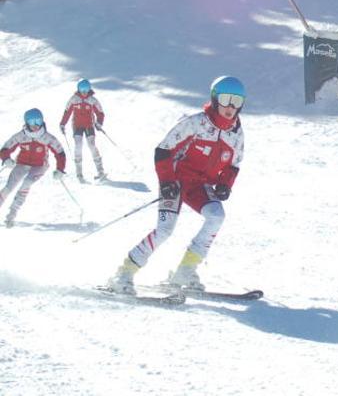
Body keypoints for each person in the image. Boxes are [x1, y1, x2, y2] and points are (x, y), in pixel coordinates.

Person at [106, 76, 245, 294]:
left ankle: (186, 270)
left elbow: (234, 164)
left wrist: (225, 184)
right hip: (176, 181)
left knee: (217, 216)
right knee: (165, 230)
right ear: (215, 99)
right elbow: (163, 150)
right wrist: (167, 180)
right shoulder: (196, 123)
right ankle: (124, 272)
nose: (231, 107)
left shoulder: (236, 133)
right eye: (226, 99)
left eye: (237, 101)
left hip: (200, 186)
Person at [0, 109, 66, 227]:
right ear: (26, 123)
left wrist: (60, 169)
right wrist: (6, 159)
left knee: (27, 183)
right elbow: (5, 149)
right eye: (31, 122)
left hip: (40, 166)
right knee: (9, 187)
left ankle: (12, 214)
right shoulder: (21, 136)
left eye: (38, 121)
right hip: (22, 164)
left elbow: (60, 153)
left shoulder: (47, 137)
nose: (35, 125)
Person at [59, 78, 106, 182]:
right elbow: (67, 112)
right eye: (82, 88)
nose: (84, 91)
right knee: (78, 146)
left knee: (92, 145)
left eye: (86, 89)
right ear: (78, 89)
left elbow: (100, 113)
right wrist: (62, 124)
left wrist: (99, 123)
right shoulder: (74, 99)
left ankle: (100, 171)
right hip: (77, 126)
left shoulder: (92, 100)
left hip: (89, 126)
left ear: (89, 89)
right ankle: (79, 173)